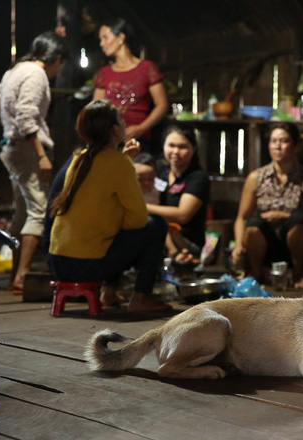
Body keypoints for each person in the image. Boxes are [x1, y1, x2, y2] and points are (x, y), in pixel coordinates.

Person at [47, 100, 169, 311]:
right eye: (121, 120)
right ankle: (140, 297)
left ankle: (108, 292)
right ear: (114, 129)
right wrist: (125, 163)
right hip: (85, 266)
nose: (125, 124)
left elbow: (102, 180)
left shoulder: (79, 159)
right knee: (155, 224)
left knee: (112, 232)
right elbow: (139, 220)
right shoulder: (118, 164)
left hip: (58, 262)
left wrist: (123, 160)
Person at [0, 31, 69, 293]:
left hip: (12, 148)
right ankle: (22, 276)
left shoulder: (15, 70)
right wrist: (41, 155)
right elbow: (26, 117)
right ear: (56, 58)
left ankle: (14, 277)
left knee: (22, 212)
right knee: (39, 210)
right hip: (26, 150)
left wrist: (9, 129)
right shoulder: (36, 74)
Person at [231, 122, 303, 289]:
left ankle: (298, 274)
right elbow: (242, 217)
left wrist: (285, 216)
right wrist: (238, 245)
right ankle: (257, 275)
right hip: (265, 245)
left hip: (295, 245)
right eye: (273, 141)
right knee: (253, 225)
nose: (278, 146)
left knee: (300, 219)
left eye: (284, 141)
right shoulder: (256, 177)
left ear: (296, 147)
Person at [93, 17, 168, 155]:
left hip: (139, 141)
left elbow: (162, 105)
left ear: (121, 37)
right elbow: (95, 107)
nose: (101, 43)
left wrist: (141, 128)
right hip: (109, 141)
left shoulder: (147, 68)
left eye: (105, 38)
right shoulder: (104, 73)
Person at [146, 124, 209, 261]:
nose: (175, 151)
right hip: (158, 234)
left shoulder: (198, 177)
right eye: (171, 145)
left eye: (182, 147)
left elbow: (183, 215)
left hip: (186, 243)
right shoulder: (158, 169)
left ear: (194, 148)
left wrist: (142, 207)